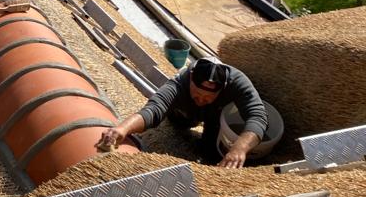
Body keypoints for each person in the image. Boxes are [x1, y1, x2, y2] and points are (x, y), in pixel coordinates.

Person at [96, 57, 269, 169]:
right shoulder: (180, 83)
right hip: (185, 113)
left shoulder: (238, 82)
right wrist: (123, 129)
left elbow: (258, 116)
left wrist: (239, 148)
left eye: (208, 97)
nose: (201, 100)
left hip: (216, 116)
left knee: (210, 152)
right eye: (197, 94)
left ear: (223, 89)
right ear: (191, 80)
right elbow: (153, 110)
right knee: (179, 124)